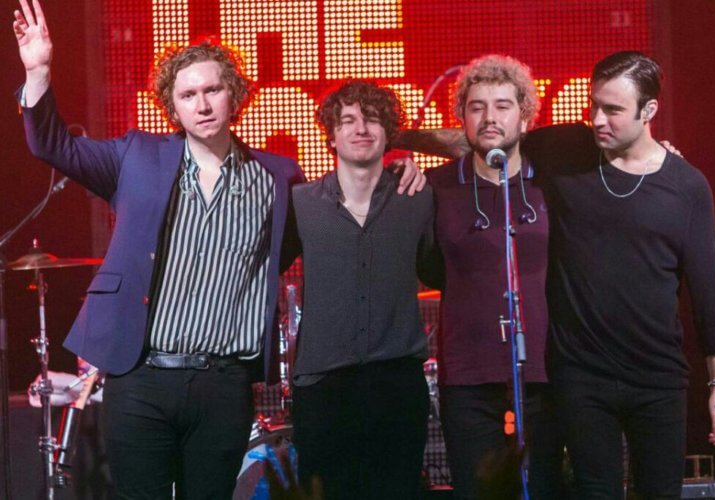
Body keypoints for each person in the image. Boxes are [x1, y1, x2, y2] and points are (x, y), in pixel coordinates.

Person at [13, 0, 306, 496]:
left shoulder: (277, 177)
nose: (203, 104)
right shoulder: (137, 156)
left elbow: (287, 251)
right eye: (188, 95)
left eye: (212, 90)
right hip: (142, 376)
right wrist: (38, 71)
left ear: (235, 94)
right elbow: (53, 146)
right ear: (172, 106)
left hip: (224, 383)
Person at [524, 51, 715, 498]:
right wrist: (397, 144)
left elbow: (707, 293)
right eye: (594, 106)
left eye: (613, 110)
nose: (597, 120)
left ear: (649, 110)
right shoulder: (565, 150)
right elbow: (488, 143)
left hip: (657, 378)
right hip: (581, 374)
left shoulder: (686, 186)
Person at [414, 55, 566, 499]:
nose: (490, 118)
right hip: (468, 374)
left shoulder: (551, 184)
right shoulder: (435, 186)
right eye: (477, 107)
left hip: (543, 370)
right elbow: (427, 266)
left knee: (543, 487)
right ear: (461, 117)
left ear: (525, 115)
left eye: (502, 106)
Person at [287, 80, 435, 500]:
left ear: (389, 132)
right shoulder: (301, 202)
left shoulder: (419, 198)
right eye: (348, 120)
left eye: (372, 119)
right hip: (324, 386)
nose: (361, 128)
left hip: (396, 383)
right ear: (331, 136)